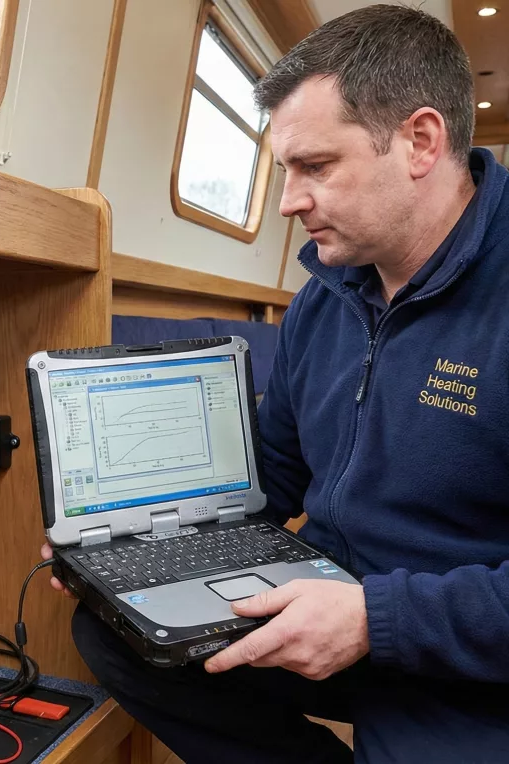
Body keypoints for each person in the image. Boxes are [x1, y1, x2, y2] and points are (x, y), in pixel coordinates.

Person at [41, 5, 509, 763]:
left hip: (466, 654)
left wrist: (375, 618)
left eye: (315, 167)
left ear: (421, 142)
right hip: (323, 599)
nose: (290, 202)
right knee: (118, 632)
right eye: (283, 171)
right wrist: (139, 532)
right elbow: (276, 471)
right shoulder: (325, 295)